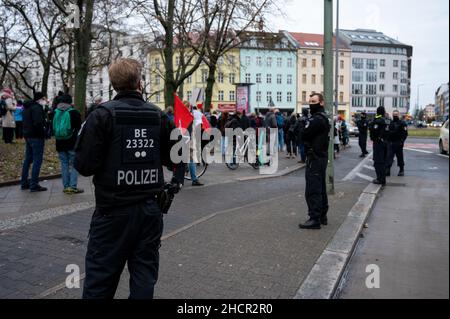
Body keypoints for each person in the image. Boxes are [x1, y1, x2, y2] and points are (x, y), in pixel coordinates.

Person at [75, 58, 184, 299]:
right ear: (139, 83)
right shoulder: (158, 116)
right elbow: (179, 156)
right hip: (149, 210)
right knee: (144, 277)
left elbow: (84, 165)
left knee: (100, 280)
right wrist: (175, 183)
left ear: (114, 84)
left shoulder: (101, 115)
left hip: (112, 213)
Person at [299, 93, 330, 230]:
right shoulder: (323, 118)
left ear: (321, 103)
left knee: (313, 189)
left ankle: (314, 218)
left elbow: (303, 134)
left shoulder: (316, 119)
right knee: (321, 188)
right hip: (320, 157)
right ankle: (322, 216)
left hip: (315, 158)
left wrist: (303, 127)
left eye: (314, 101)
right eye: (310, 101)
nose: (311, 104)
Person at [53, 94, 83, 194]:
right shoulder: (74, 112)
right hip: (72, 143)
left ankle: (66, 186)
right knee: (74, 164)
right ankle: (73, 186)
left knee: (64, 164)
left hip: (59, 142)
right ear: (70, 102)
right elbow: (79, 128)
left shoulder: (55, 112)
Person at [21, 92, 48, 192]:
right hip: (36, 136)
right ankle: (34, 184)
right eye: (43, 98)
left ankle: (24, 183)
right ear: (39, 99)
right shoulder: (36, 108)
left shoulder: (27, 108)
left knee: (28, 159)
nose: (44, 100)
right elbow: (38, 123)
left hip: (28, 135)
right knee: (37, 160)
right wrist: (44, 133)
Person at [369, 106, 389, 186]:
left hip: (378, 143)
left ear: (377, 112)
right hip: (385, 143)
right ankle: (382, 178)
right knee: (383, 162)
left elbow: (374, 131)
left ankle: (380, 179)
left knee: (378, 162)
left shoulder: (378, 121)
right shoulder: (387, 120)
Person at [386, 110, 408, 176]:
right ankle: (388, 170)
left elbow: (405, 134)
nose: (395, 116)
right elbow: (388, 132)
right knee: (389, 157)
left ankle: (401, 170)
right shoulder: (390, 123)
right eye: (394, 115)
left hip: (399, 143)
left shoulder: (402, 123)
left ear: (399, 115)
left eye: (396, 114)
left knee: (400, 157)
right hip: (391, 143)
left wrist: (402, 141)